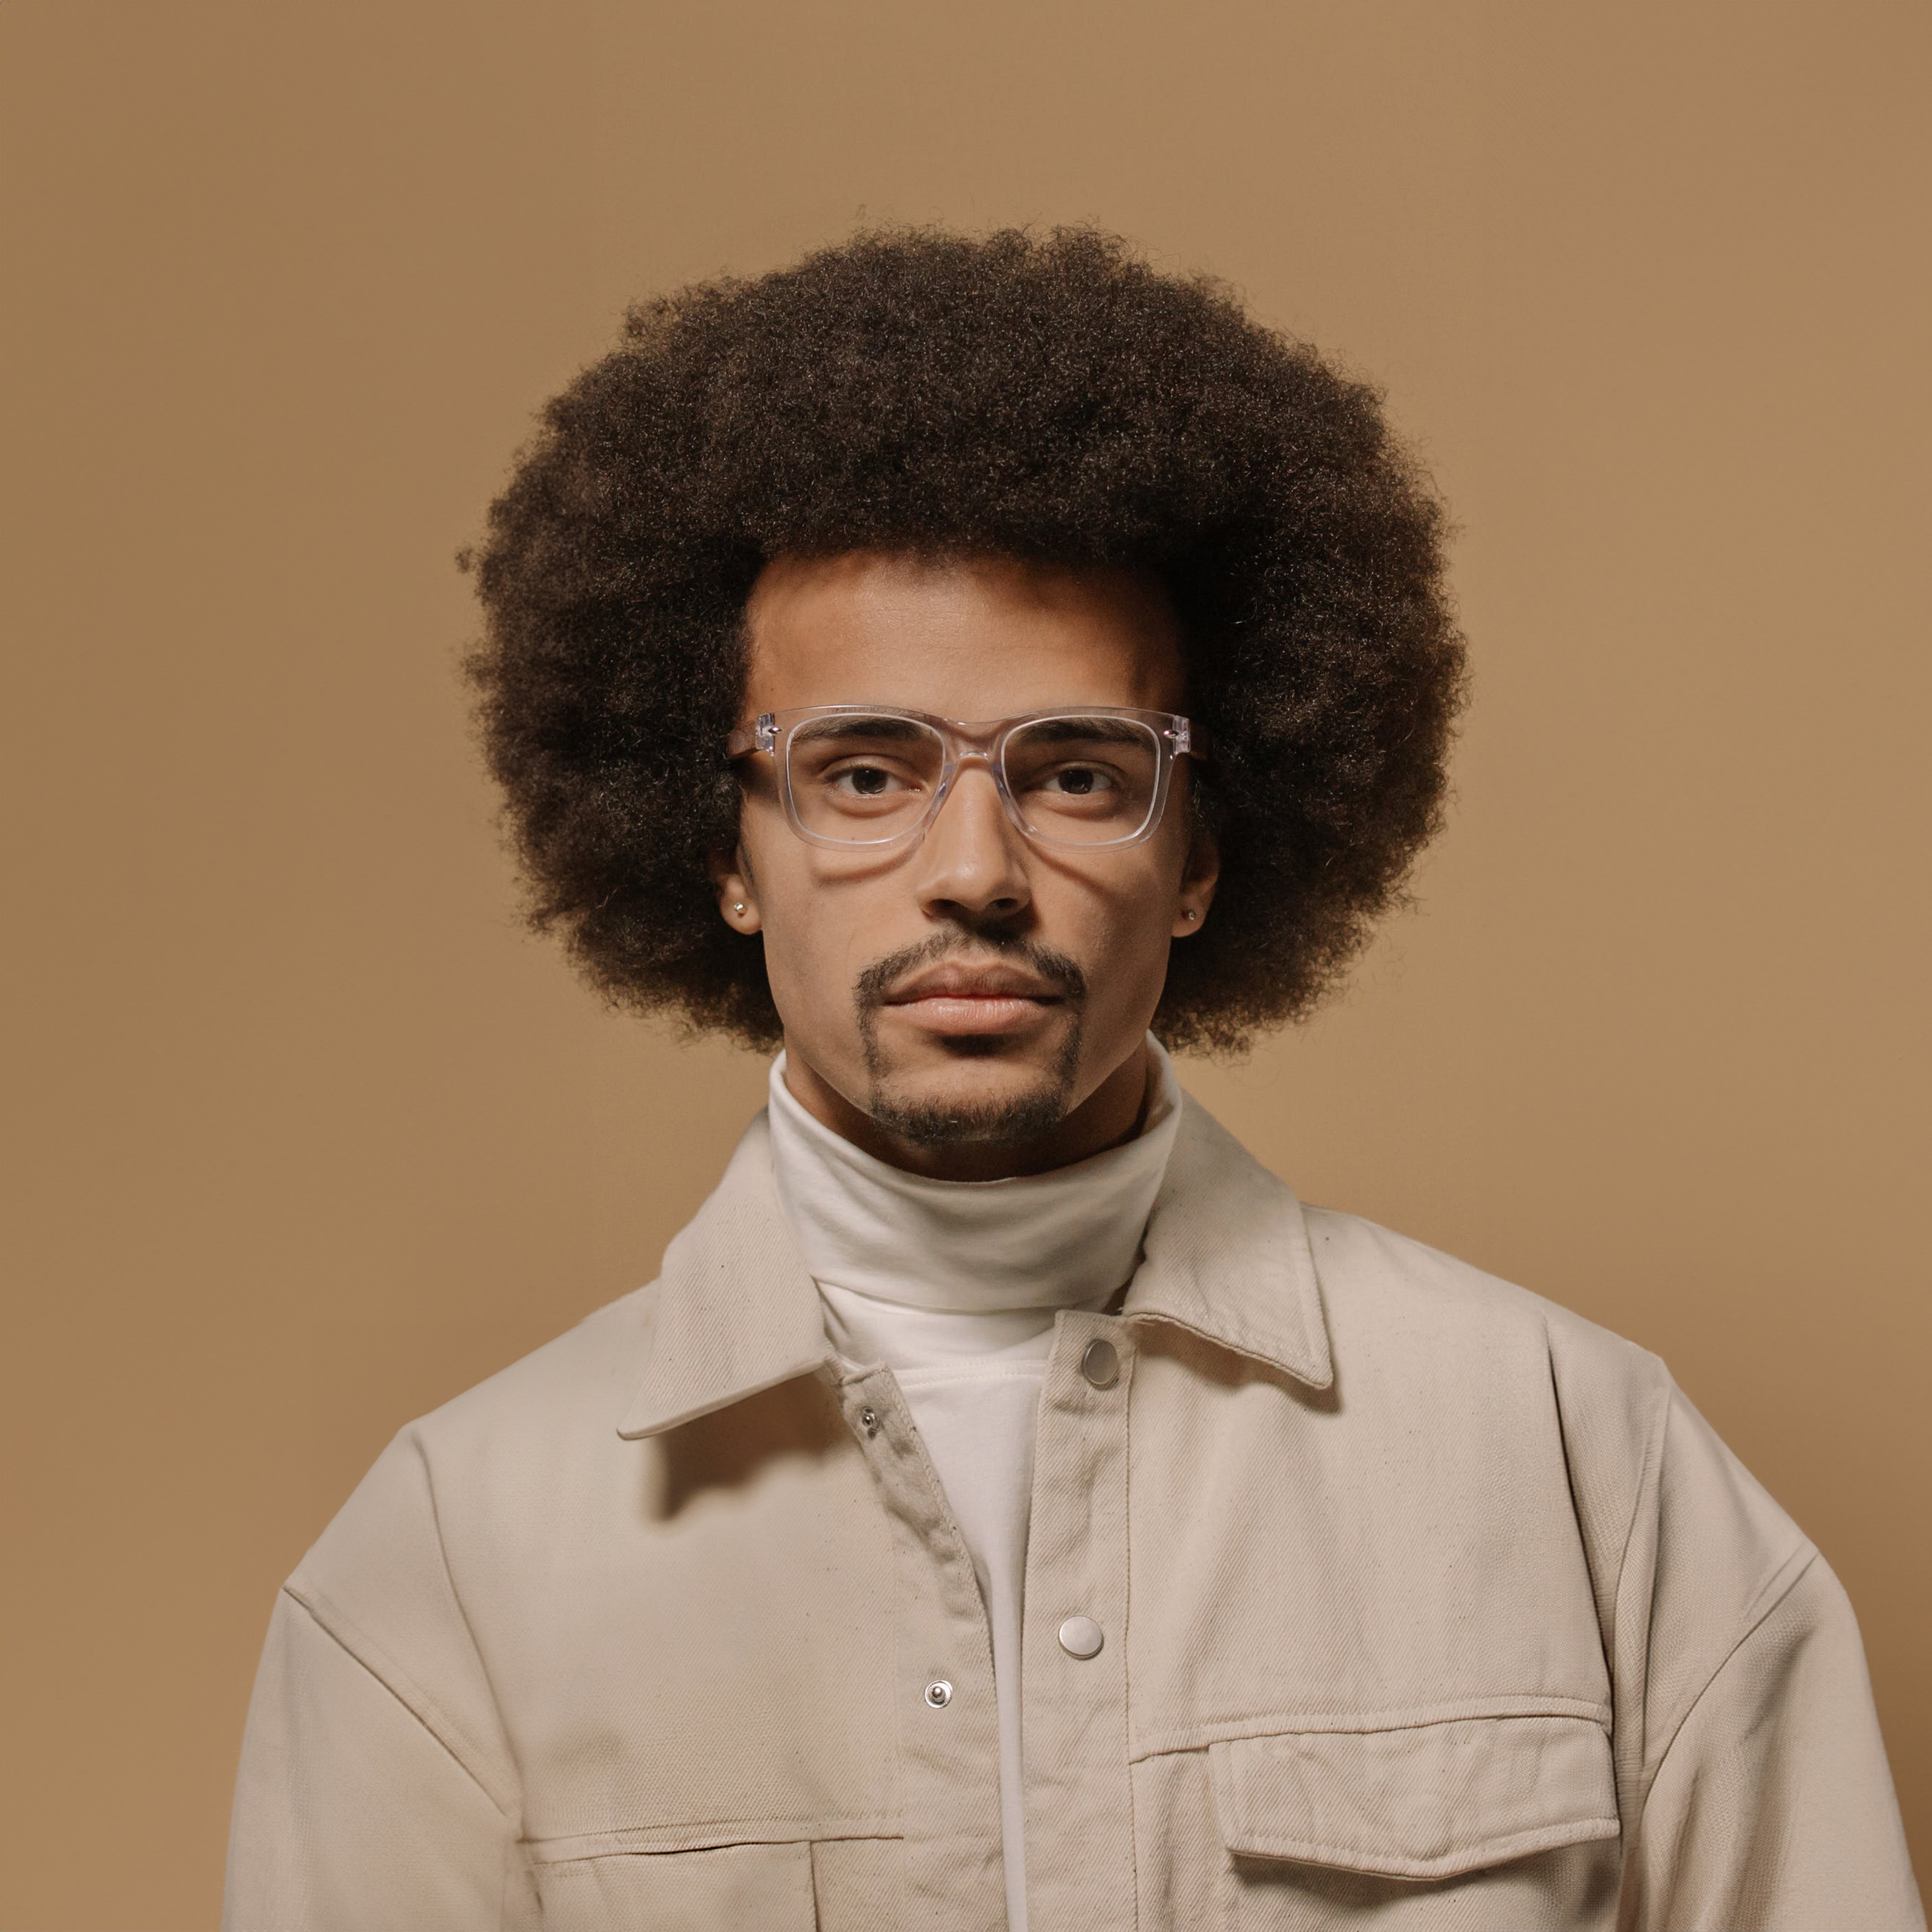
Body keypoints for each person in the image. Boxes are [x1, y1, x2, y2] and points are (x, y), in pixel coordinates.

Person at [223, 227, 1922, 1931]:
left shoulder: (1573, 1454)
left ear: (1200, 856)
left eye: (1079, 773)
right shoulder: (452, 1552)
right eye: (863, 772)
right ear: (725, 853)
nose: (975, 869)